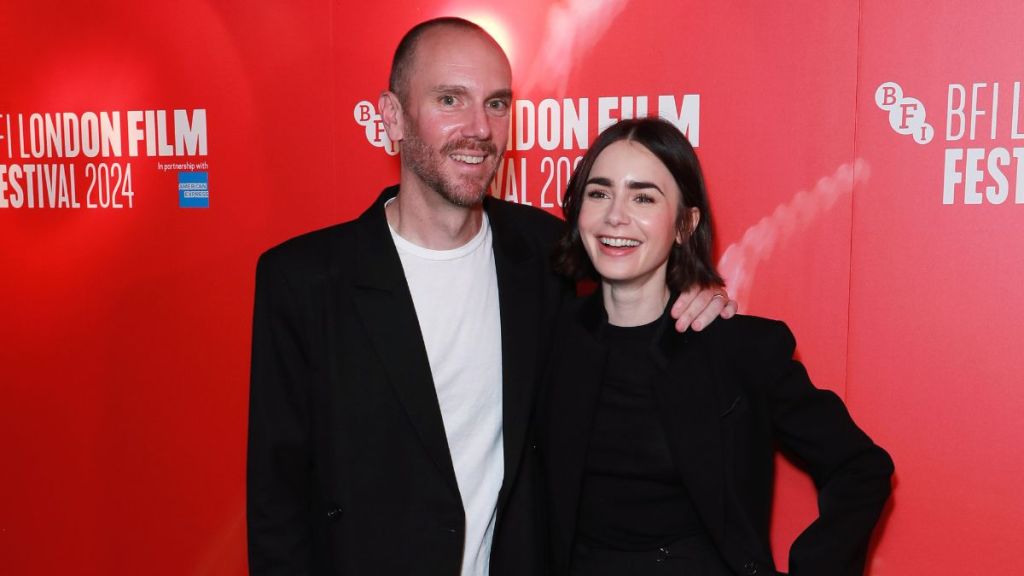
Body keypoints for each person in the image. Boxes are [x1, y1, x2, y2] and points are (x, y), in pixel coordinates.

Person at [247, 18, 735, 576]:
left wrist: (695, 294)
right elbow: (276, 502)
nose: (479, 127)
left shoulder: (546, 250)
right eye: (450, 99)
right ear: (391, 117)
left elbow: (633, 293)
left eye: (497, 104)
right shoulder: (304, 280)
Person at [541, 117, 893, 576]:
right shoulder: (547, 337)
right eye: (599, 192)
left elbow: (861, 468)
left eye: (643, 197)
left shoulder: (740, 349)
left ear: (685, 223)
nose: (615, 215)